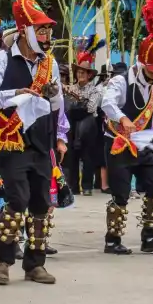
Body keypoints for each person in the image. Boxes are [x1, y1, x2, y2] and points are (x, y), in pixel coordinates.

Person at [0, 0, 65, 285]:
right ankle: (2, 259)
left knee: (42, 203)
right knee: (18, 199)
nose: (45, 34)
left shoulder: (50, 63)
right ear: (26, 30)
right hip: (10, 140)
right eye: (40, 28)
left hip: (40, 141)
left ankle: (35, 264)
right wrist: (19, 92)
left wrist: (55, 96)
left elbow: (56, 105)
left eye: (47, 29)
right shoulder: (2, 59)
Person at [101, 0, 153, 256]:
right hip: (117, 144)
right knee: (121, 193)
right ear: (143, 63)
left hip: (142, 141)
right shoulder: (121, 81)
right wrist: (122, 118)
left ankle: (149, 237)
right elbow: (107, 102)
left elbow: (146, 111)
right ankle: (112, 240)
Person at [64, 51, 104, 197]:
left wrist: (78, 101)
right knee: (71, 157)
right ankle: (73, 187)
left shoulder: (94, 90)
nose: (80, 74)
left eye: (84, 72)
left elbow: (91, 108)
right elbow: (67, 106)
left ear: (89, 75)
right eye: (79, 72)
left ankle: (87, 186)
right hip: (72, 124)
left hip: (88, 125)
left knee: (88, 157)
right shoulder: (70, 88)